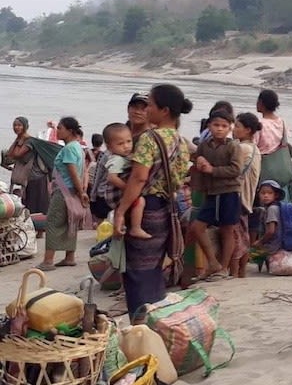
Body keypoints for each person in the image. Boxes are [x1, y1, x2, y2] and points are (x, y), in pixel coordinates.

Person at [114, 84, 193, 317]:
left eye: (150, 104)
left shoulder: (150, 138)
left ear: (164, 110)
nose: (146, 108)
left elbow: (139, 178)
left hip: (145, 209)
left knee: (137, 271)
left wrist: (121, 211)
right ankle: (157, 320)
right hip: (167, 211)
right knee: (154, 268)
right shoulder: (181, 141)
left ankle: (141, 327)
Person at [189, 109, 243, 279]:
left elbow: (236, 169)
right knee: (197, 227)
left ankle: (223, 268)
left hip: (229, 192)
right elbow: (196, 160)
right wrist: (198, 161)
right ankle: (212, 262)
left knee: (227, 230)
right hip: (211, 193)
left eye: (224, 126)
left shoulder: (233, 146)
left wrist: (213, 170)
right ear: (209, 126)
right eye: (216, 125)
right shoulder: (204, 146)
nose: (220, 129)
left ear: (229, 128)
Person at [41, 117, 90, 270]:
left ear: (69, 131)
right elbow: (82, 172)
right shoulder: (77, 147)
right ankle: (69, 257)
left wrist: (81, 192)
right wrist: (82, 191)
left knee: (53, 223)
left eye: (60, 128)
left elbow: (73, 172)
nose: (57, 130)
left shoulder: (68, 149)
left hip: (64, 192)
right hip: (73, 191)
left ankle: (48, 261)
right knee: (70, 223)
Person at [99, 122, 147, 237]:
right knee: (140, 201)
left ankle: (121, 227)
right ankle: (136, 227)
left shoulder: (123, 157)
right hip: (114, 193)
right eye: (120, 144)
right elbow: (112, 178)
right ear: (109, 147)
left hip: (116, 193)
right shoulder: (116, 159)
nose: (126, 146)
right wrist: (129, 189)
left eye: (129, 141)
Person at [232, 112, 262, 277]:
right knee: (243, 236)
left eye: (237, 126)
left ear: (248, 130)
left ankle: (234, 272)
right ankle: (241, 272)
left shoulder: (241, 148)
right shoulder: (255, 149)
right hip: (248, 199)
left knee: (235, 237)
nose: (233, 129)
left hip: (238, 197)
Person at [255, 89, 292, 200]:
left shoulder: (259, 124)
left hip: (264, 168)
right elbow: (286, 144)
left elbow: (254, 147)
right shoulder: (281, 122)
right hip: (281, 170)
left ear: (261, 103)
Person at [248, 180, 285, 267]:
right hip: (277, 243)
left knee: (249, 252)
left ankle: (265, 259)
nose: (266, 196)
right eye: (263, 193)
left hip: (273, 246)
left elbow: (270, 232)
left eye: (269, 193)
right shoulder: (276, 207)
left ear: (276, 195)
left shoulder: (272, 209)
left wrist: (260, 242)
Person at [6, 117, 37, 206]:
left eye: (19, 125)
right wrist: (17, 139)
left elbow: (17, 154)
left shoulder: (29, 141)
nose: (16, 127)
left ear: (25, 127)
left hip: (30, 176)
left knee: (26, 202)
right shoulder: (19, 139)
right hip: (20, 173)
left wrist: (19, 141)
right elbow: (9, 155)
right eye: (15, 125)